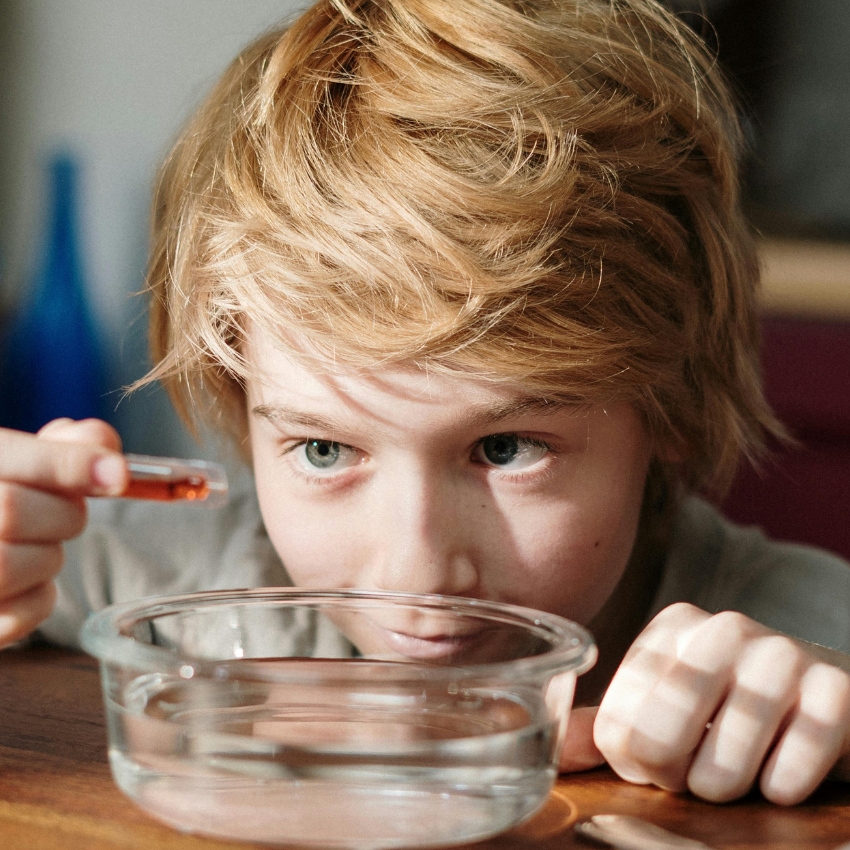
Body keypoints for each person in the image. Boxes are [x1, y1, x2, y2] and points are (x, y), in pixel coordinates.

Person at [0, 0, 848, 807]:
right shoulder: (187, 576)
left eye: (509, 448)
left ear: (672, 404)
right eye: (325, 451)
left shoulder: (813, 634)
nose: (417, 577)